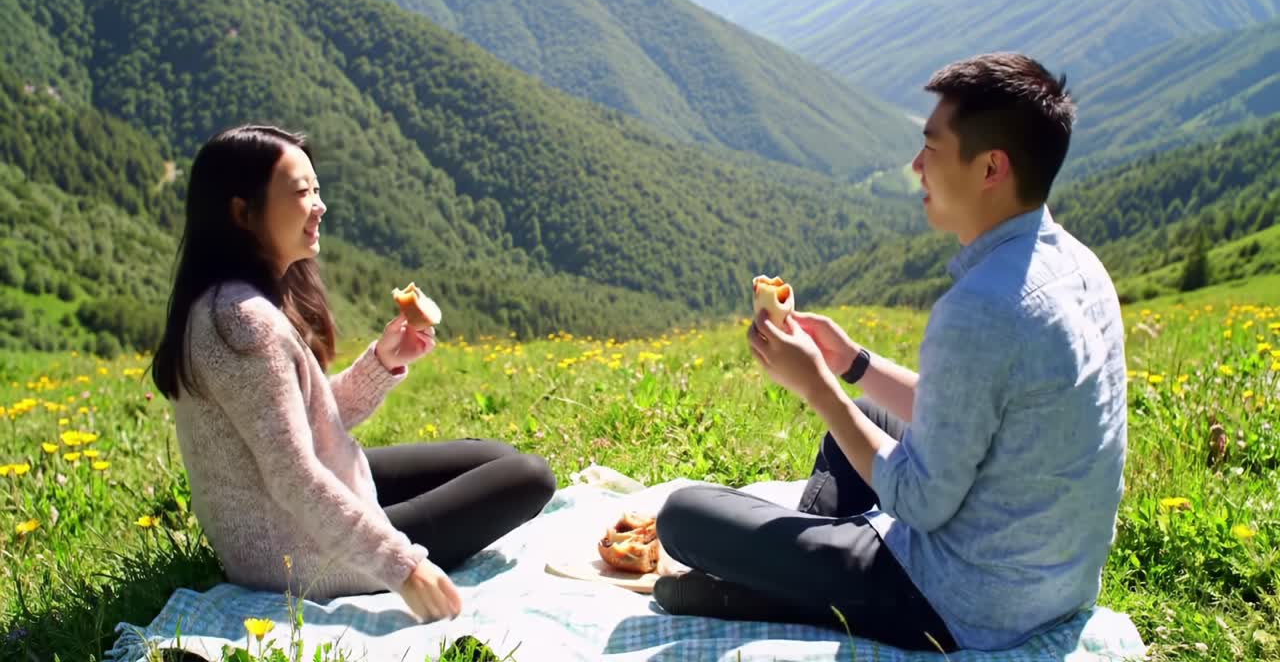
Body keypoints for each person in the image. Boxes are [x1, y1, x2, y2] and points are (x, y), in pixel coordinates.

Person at [653, 53, 1127, 652]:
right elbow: (968, 414)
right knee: (871, 416)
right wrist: (854, 363)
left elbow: (921, 503)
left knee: (682, 517)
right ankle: (800, 569)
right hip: (1055, 580)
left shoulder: (982, 306)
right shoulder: (1080, 266)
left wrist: (820, 386)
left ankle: (786, 586)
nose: (916, 165)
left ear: (990, 167)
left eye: (931, 148)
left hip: (962, 600)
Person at [150, 125, 556, 623]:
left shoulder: (234, 302)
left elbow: (296, 423)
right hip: (299, 554)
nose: (319, 206)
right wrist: (403, 567)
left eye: (317, 189)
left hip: (292, 513)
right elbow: (293, 478)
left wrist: (382, 362)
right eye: (301, 193)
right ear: (242, 212)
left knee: (496, 458)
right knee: (529, 477)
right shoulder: (242, 322)